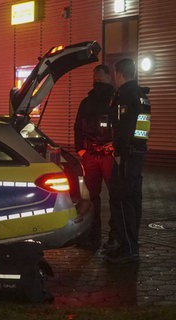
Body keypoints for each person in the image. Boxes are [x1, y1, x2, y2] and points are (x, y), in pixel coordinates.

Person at [105, 58, 151, 264]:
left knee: (120, 199)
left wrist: (119, 152)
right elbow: (142, 128)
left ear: (118, 73)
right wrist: (137, 147)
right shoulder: (141, 95)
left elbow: (122, 127)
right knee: (133, 200)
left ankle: (127, 248)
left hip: (126, 155)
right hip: (138, 153)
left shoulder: (125, 96)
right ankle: (132, 245)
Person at [74, 65, 116, 250]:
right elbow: (78, 127)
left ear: (110, 77)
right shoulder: (86, 102)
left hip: (109, 155)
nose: (97, 82)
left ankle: (114, 237)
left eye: (100, 79)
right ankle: (92, 235)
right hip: (90, 154)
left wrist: (118, 149)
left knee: (116, 196)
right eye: (95, 79)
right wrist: (80, 150)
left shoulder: (116, 100)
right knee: (90, 197)